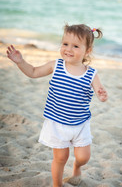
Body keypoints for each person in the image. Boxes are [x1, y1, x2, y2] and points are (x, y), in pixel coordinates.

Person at [7, 24, 108, 187]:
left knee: (84, 157)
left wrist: (102, 95)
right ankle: (57, 184)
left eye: (75, 46)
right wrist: (20, 62)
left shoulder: (91, 73)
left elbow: (100, 92)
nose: (68, 49)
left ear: (87, 51)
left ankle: (77, 167)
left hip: (80, 124)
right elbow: (33, 72)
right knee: (60, 158)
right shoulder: (56, 65)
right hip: (57, 123)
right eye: (65, 44)